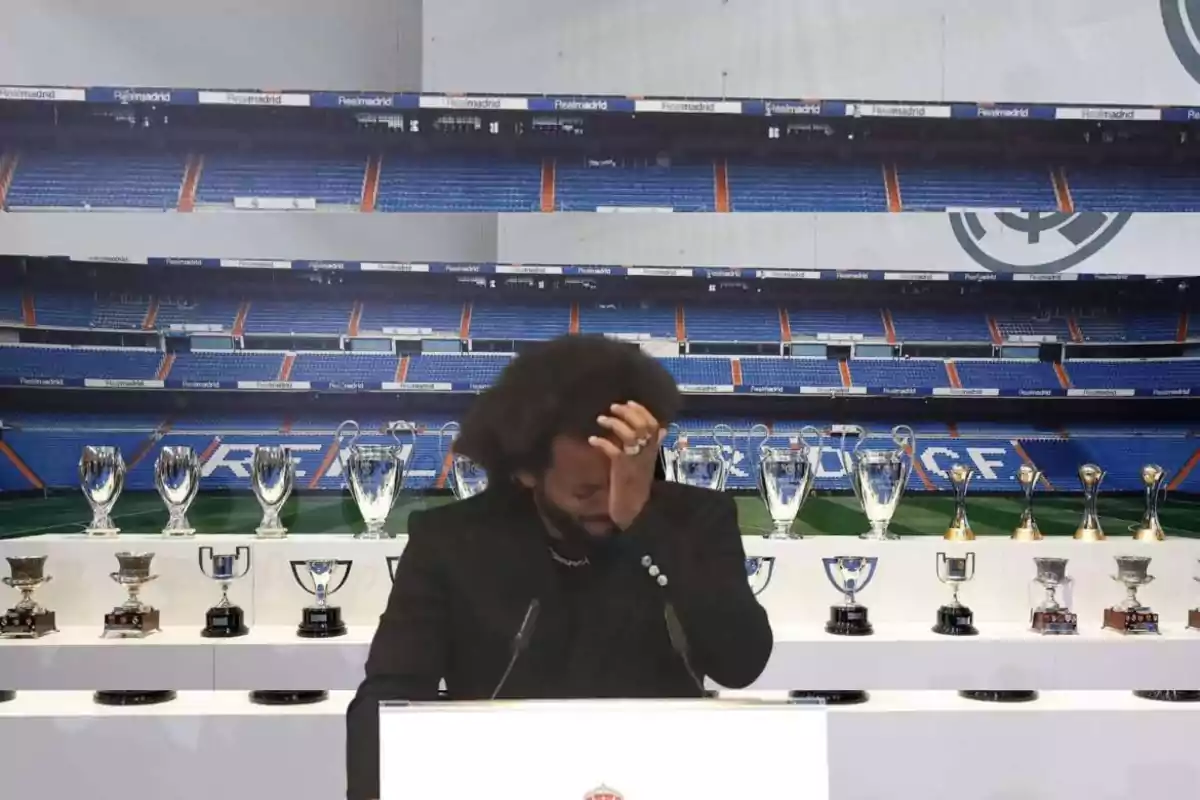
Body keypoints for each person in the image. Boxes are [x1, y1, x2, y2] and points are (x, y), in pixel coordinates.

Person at [345, 334, 774, 800]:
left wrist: (644, 521)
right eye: (588, 491)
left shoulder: (696, 521)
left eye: (627, 481)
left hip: (664, 781)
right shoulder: (451, 541)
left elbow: (741, 663)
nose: (612, 505)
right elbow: (386, 700)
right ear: (526, 472)